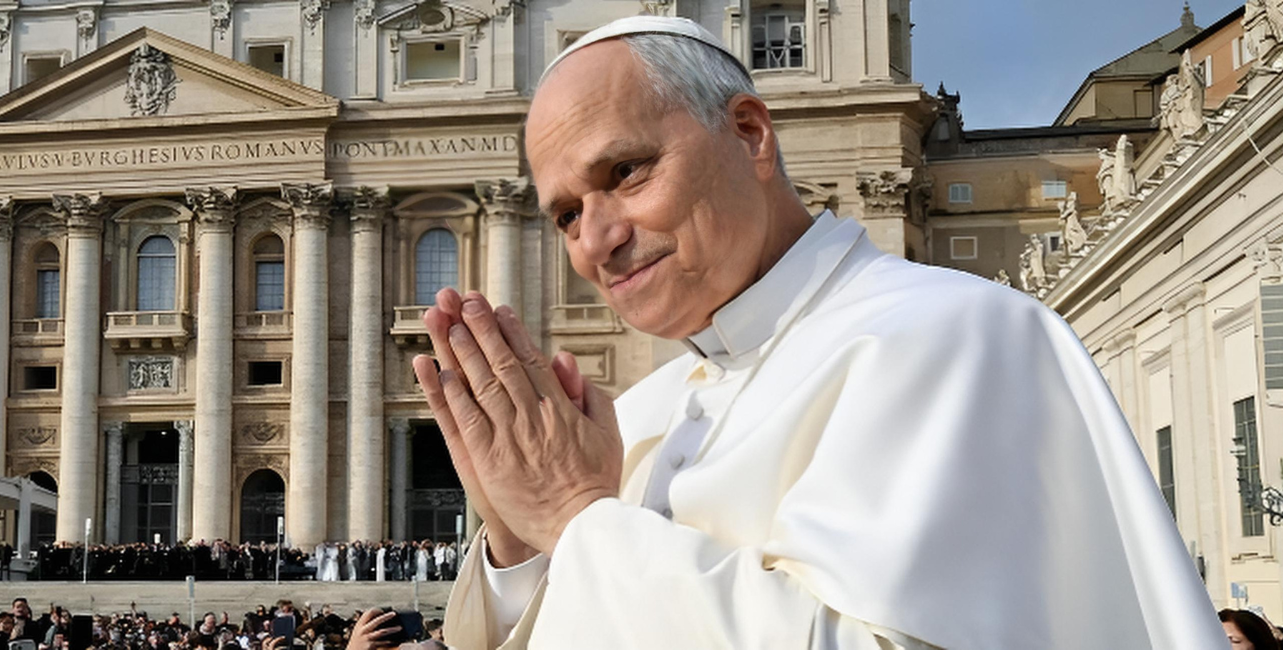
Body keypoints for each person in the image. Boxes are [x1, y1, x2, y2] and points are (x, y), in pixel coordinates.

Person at [423, 14, 1224, 650]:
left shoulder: (951, 337)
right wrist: (519, 538)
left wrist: (573, 515)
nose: (595, 242)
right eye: (565, 215)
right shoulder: (640, 414)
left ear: (750, 134)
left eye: (625, 173)